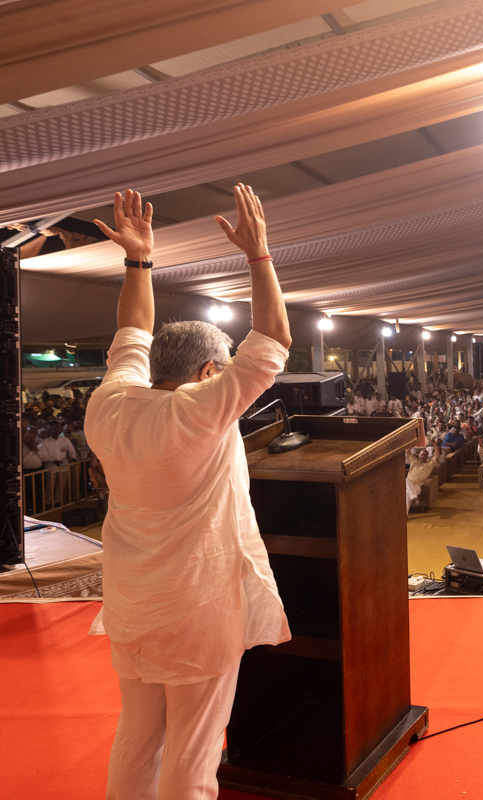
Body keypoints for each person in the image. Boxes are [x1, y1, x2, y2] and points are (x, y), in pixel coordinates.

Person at [84, 186, 293, 799]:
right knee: (194, 756)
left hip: (131, 603)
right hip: (196, 612)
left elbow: (131, 330)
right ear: (207, 375)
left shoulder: (109, 403)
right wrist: (259, 256)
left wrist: (138, 261)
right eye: (223, 366)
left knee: (139, 736)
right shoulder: (197, 413)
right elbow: (273, 340)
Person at [405, 448, 436, 513]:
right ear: (419, 455)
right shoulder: (414, 460)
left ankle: (415, 498)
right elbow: (407, 451)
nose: (423, 456)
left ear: (427, 457)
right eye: (422, 455)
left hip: (417, 486)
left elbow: (438, 455)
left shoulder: (429, 465)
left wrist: (435, 445)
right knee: (407, 490)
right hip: (410, 486)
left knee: (407, 482)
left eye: (425, 455)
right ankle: (415, 499)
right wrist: (412, 441)